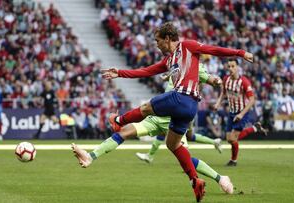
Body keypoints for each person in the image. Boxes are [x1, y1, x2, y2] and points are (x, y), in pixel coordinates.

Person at [94, 22, 253, 202]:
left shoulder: (187, 46)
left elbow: (213, 49)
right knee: (173, 145)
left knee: (147, 108)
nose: (156, 44)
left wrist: (240, 53)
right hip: (190, 108)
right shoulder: (169, 60)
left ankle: (118, 121)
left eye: (158, 41)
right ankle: (195, 181)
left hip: (181, 98)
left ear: (168, 39)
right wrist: (120, 73)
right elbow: (146, 71)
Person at [214, 58, 267, 166]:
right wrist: (218, 103)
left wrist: (241, 114)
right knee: (229, 139)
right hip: (232, 112)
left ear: (238, 67)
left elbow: (252, 100)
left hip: (242, 112)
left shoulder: (244, 82)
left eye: (233, 66)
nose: (231, 68)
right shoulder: (226, 79)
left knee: (233, 138)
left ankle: (234, 160)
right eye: (229, 66)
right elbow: (223, 93)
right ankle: (255, 128)